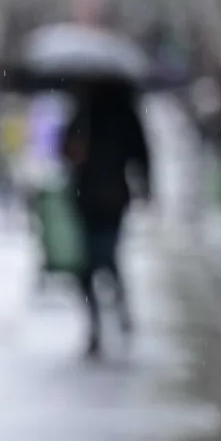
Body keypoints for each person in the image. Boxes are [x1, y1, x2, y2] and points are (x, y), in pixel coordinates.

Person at [62, 80, 152, 358]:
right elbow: (64, 148)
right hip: (88, 197)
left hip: (109, 198)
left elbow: (140, 153)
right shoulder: (82, 113)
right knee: (92, 263)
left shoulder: (121, 115)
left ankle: (116, 311)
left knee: (104, 257)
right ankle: (97, 323)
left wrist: (146, 186)